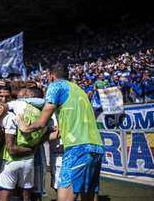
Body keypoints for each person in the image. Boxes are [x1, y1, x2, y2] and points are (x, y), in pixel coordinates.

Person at [18, 63, 104, 201]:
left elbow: (42, 121)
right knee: (88, 197)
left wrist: (26, 128)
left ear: (51, 76)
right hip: (96, 147)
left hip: (77, 148)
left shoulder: (56, 86)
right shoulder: (79, 90)